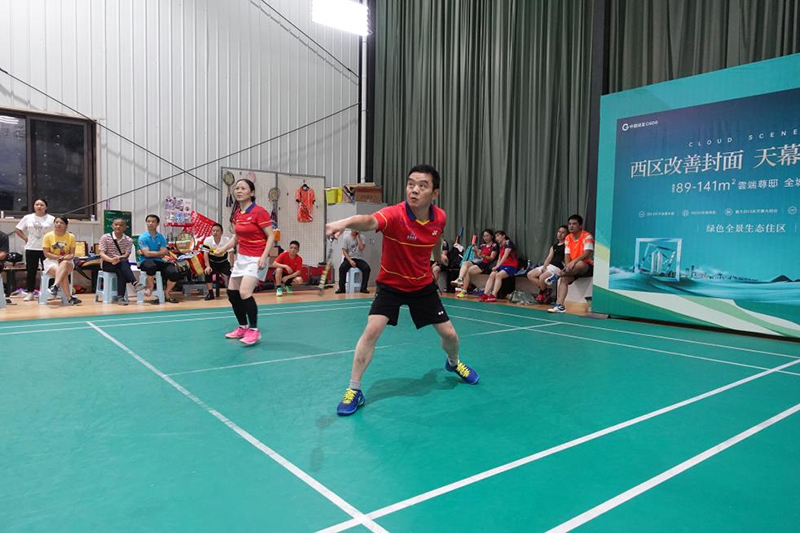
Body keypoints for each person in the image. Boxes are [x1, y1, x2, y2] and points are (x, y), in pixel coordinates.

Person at [325, 164, 480, 416]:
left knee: (450, 335)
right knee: (371, 331)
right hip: (391, 285)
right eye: (411, 184)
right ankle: (354, 389)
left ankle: (453, 363)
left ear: (435, 193)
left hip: (422, 285)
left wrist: (437, 258)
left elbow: (435, 236)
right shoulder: (395, 215)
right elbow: (369, 221)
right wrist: (343, 222)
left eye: (422, 186)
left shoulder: (439, 217)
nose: (414, 190)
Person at [212, 178, 275, 346]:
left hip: (257, 258)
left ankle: (254, 330)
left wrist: (264, 256)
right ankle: (242, 327)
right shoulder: (238, 213)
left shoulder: (259, 212)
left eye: (243, 188)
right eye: (237, 188)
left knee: (245, 292)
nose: (239, 191)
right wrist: (222, 248)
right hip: (242, 258)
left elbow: (271, 236)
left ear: (252, 193)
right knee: (232, 293)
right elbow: (236, 238)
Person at [549, 214, 594, 313]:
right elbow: (567, 255)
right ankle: (560, 305)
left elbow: (587, 253)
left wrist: (573, 262)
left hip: (586, 267)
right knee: (564, 279)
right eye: (569, 224)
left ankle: (558, 275)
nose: (571, 226)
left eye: (574, 224)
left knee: (580, 264)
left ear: (580, 226)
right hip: (572, 269)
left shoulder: (587, 236)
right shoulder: (568, 238)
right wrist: (567, 266)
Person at [15, 198, 55, 301]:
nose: (39, 207)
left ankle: (50, 292)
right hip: (31, 247)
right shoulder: (28, 217)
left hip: (46, 249)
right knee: (31, 271)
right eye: (37, 204)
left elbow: (56, 232)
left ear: (46, 207)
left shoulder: (51, 219)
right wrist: (25, 238)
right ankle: (30, 293)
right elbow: (18, 229)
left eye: (41, 205)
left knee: (49, 270)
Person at [138, 214, 182, 304]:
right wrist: (159, 253)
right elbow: (147, 254)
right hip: (145, 261)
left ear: (157, 224)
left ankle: (167, 293)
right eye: (148, 221)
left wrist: (153, 253)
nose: (150, 223)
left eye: (153, 222)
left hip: (159, 261)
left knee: (174, 272)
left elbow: (164, 252)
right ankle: (150, 287)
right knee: (151, 266)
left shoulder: (161, 237)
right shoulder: (143, 237)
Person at [98, 218, 138, 305]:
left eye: (121, 225)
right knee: (123, 265)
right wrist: (111, 260)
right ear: (112, 226)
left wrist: (118, 258)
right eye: (116, 224)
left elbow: (126, 255)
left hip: (120, 262)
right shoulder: (105, 237)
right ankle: (134, 283)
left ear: (125, 227)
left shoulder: (128, 240)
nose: (118, 227)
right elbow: (102, 254)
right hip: (107, 262)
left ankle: (121, 297)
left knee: (121, 268)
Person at [41, 216, 81, 305]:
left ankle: (55, 285)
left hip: (67, 261)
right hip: (51, 261)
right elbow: (46, 253)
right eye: (56, 222)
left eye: (61, 223)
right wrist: (57, 257)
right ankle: (69, 298)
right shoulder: (47, 236)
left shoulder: (71, 236)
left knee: (64, 264)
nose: (58, 224)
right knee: (63, 273)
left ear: (66, 225)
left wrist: (63, 258)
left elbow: (72, 254)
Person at [526, 225, 568, 303]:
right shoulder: (554, 246)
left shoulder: (567, 245)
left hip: (558, 267)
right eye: (559, 232)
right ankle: (545, 289)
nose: (560, 234)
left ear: (567, 234)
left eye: (563, 232)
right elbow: (549, 258)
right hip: (549, 266)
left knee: (542, 278)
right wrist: (544, 267)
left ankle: (541, 293)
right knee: (530, 275)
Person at [451, 229, 497, 298]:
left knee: (467, 271)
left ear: (492, 236)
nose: (485, 238)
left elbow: (492, 258)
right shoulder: (482, 245)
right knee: (465, 263)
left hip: (487, 264)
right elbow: (478, 256)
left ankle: (464, 290)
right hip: (480, 262)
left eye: (487, 236)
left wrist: (483, 255)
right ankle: (460, 279)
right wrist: (475, 251)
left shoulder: (494, 245)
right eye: (484, 236)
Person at [481, 230, 518, 303]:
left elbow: (505, 256)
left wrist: (497, 266)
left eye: (498, 236)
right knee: (492, 274)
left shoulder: (508, 243)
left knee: (498, 275)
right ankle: (485, 294)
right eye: (496, 236)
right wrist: (497, 267)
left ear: (503, 236)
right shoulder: (500, 245)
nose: (496, 238)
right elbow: (499, 258)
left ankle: (494, 295)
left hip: (511, 266)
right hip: (502, 266)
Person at [202, 223, 233, 301]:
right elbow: (205, 254)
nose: (215, 232)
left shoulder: (226, 240)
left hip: (223, 262)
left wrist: (232, 265)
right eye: (213, 231)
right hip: (212, 262)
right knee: (207, 272)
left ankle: (231, 293)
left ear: (221, 232)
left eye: (217, 231)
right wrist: (208, 266)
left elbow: (231, 253)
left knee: (231, 274)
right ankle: (210, 293)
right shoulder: (207, 240)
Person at [335, 229, 371, 294]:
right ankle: (341, 288)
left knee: (367, 268)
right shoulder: (346, 238)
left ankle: (363, 288)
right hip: (349, 258)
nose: (356, 230)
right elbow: (344, 251)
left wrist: (358, 238)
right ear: (351, 229)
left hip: (359, 258)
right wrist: (350, 260)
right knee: (342, 268)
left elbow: (362, 248)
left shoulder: (362, 237)